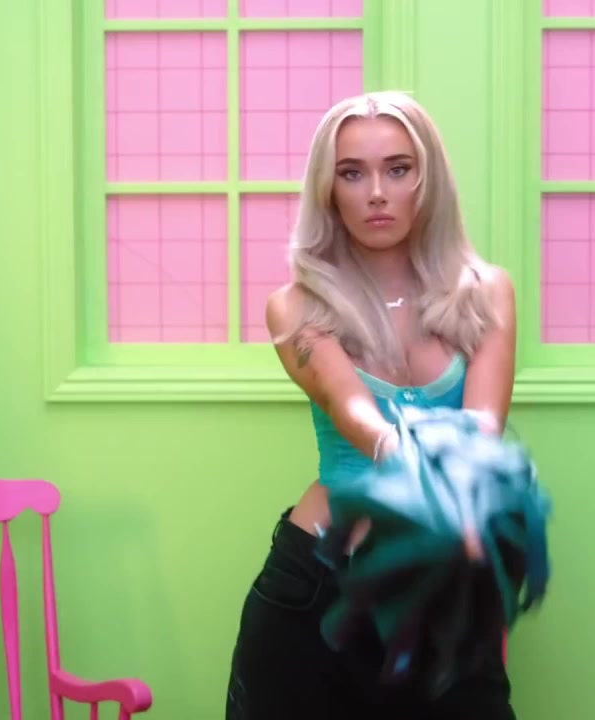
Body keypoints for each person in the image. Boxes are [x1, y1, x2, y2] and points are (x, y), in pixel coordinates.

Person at [224, 90, 519, 719]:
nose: (377, 192)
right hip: (315, 594)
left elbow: (483, 431)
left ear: (427, 179)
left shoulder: (487, 292)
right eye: (352, 173)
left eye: (398, 169)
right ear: (328, 190)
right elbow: (350, 407)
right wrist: (409, 457)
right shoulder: (295, 306)